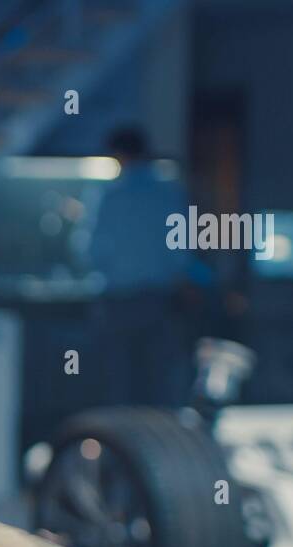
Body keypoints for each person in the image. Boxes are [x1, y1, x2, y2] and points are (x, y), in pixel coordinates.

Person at [86, 126, 199, 407]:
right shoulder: (170, 193)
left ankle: (121, 446)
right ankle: (158, 445)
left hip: (118, 303)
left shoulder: (108, 196)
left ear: (118, 155)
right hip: (160, 300)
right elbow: (181, 251)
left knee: (118, 383)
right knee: (160, 380)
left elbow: (92, 252)